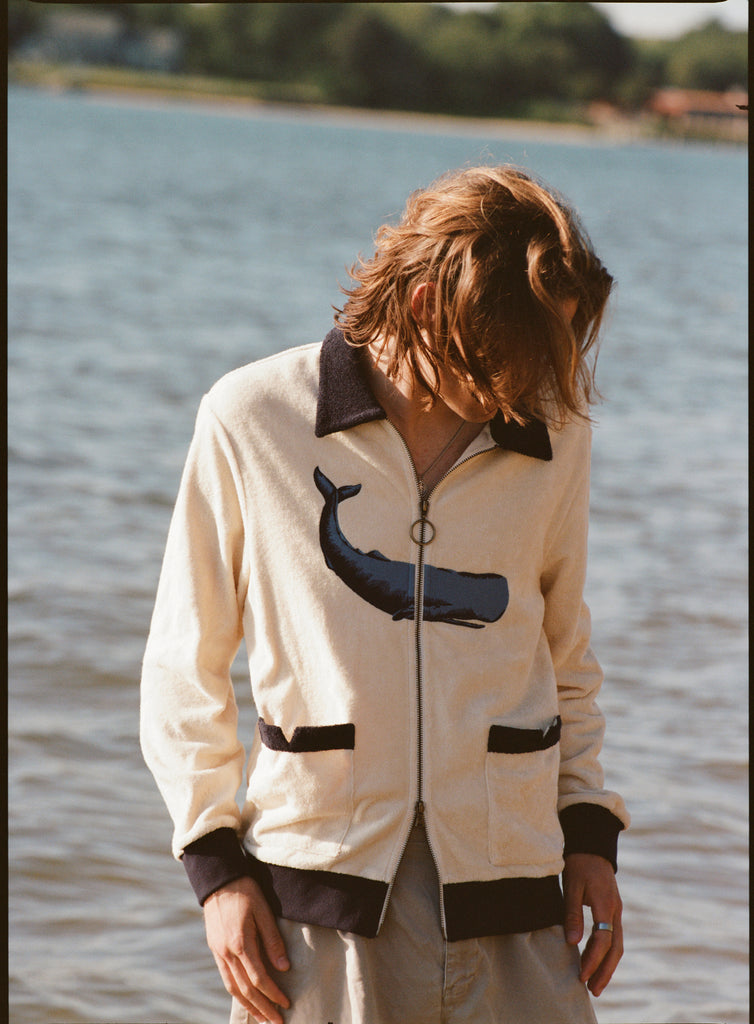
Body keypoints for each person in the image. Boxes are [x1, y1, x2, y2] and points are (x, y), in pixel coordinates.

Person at [141, 164, 630, 1024]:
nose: (527, 387)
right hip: (320, 898)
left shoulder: (554, 431)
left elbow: (563, 650)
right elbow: (186, 664)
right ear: (424, 309)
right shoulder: (250, 417)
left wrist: (589, 832)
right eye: (507, 358)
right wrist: (215, 869)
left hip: (511, 888)